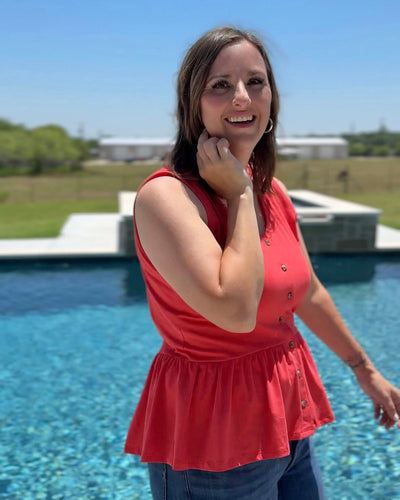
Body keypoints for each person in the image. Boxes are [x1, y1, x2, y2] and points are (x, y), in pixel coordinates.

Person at [124, 26, 400, 499]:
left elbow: (306, 290)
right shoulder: (167, 198)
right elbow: (235, 311)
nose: (241, 97)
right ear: (193, 103)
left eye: (255, 82)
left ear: (271, 98)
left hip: (284, 414)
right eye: (219, 85)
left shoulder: (274, 192)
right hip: (213, 436)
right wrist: (239, 195)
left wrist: (363, 368)